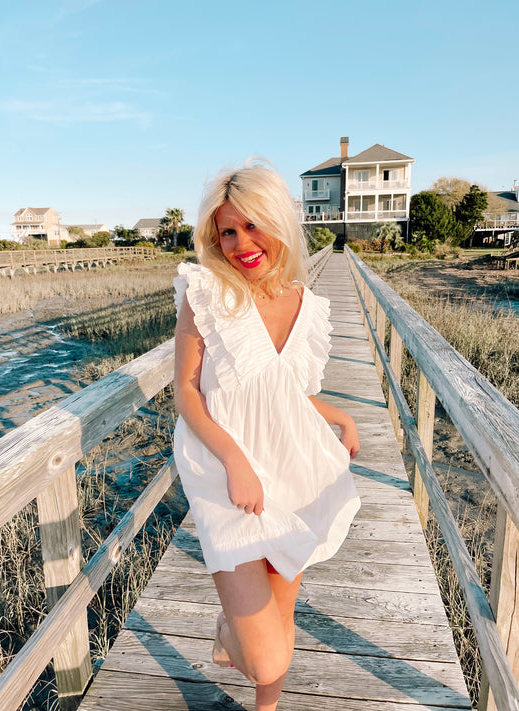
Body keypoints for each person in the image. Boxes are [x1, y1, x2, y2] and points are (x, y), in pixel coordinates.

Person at [173, 161, 361, 711]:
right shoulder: (206, 292)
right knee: (265, 656)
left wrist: (341, 416)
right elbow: (186, 390)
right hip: (224, 473)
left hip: (293, 471)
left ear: (280, 222)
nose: (240, 244)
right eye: (227, 231)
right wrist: (234, 459)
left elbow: (283, 394)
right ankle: (231, 633)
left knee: (281, 621)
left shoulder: (310, 306)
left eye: (253, 226)